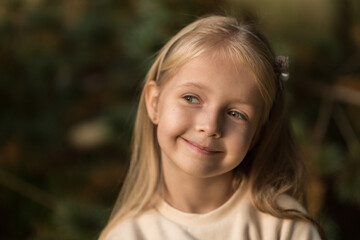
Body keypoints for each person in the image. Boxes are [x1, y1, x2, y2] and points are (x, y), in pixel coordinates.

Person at [99, 15, 324, 240]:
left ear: (257, 133)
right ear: (154, 102)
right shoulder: (128, 235)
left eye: (236, 114)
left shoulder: (285, 229)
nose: (209, 126)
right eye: (191, 98)